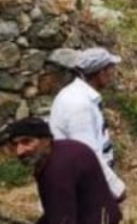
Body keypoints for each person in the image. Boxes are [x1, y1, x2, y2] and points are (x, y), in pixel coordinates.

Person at [7, 117, 122, 224]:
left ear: (46, 140)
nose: (20, 151)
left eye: (27, 142)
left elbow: (63, 219)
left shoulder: (57, 172)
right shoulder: (61, 149)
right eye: (15, 145)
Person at [48, 47, 126, 202]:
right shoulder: (79, 105)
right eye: (111, 69)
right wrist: (116, 188)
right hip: (79, 186)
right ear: (101, 74)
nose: (113, 74)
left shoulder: (75, 94)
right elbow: (88, 155)